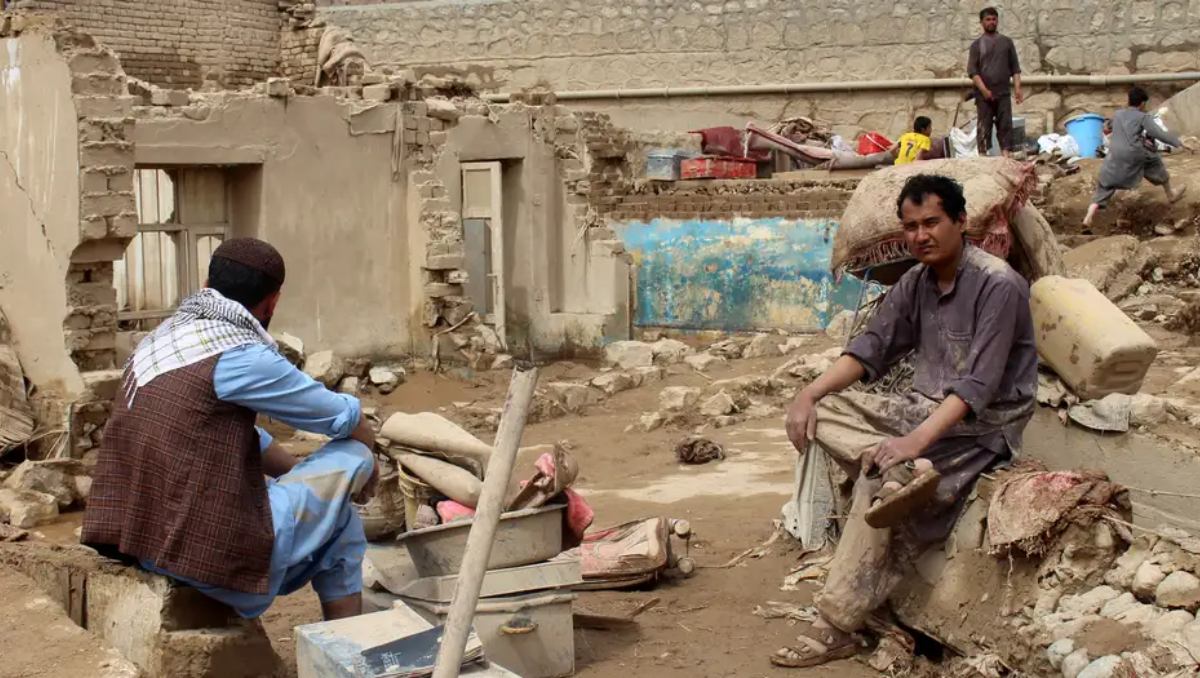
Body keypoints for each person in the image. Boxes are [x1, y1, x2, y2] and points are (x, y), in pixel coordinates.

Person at [771, 175, 1037, 668]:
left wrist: (913, 442)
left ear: (961, 223)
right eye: (911, 226)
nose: (921, 236)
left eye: (932, 222)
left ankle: (834, 625)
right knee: (825, 409)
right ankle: (901, 471)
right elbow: (872, 348)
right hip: (923, 408)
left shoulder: (998, 285)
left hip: (982, 425)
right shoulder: (916, 281)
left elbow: (978, 387)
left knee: (877, 481)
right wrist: (806, 394)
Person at [82, 238, 380, 621]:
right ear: (273, 301)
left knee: (334, 519)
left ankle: (344, 645)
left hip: (138, 538)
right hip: (201, 550)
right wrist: (369, 459)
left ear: (208, 281)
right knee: (352, 459)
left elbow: (231, 436)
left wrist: (297, 478)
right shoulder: (237, 353)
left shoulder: (164, 338)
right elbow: (342, 417)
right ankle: (348, 650)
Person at [1083, 86, 1188, 227]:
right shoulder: (1143, 117)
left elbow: (1108, 126)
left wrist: (1108, 126)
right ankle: (1171, 194)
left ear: (1129, 101)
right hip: (1134, 153)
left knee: (1106, 183)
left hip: (1114, 154)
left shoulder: (1119, 114)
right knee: (1154, 160)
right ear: (1142, 103)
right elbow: (1159, 133)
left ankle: (1089, 216)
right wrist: (1179, 142)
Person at [968, 7, 1023, 157]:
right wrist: (984, 91)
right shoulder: (976, 45)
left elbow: (1015, 69)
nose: (991, 22)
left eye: (994, 19)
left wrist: (1018, 89)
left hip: (1003, 93)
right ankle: (983, 158)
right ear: (981, 22)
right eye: (988, 19)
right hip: (983, 95)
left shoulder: (1006, 42)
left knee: (1005, 126)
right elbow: (973, 72)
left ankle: (1006, 157)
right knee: (984, 127)